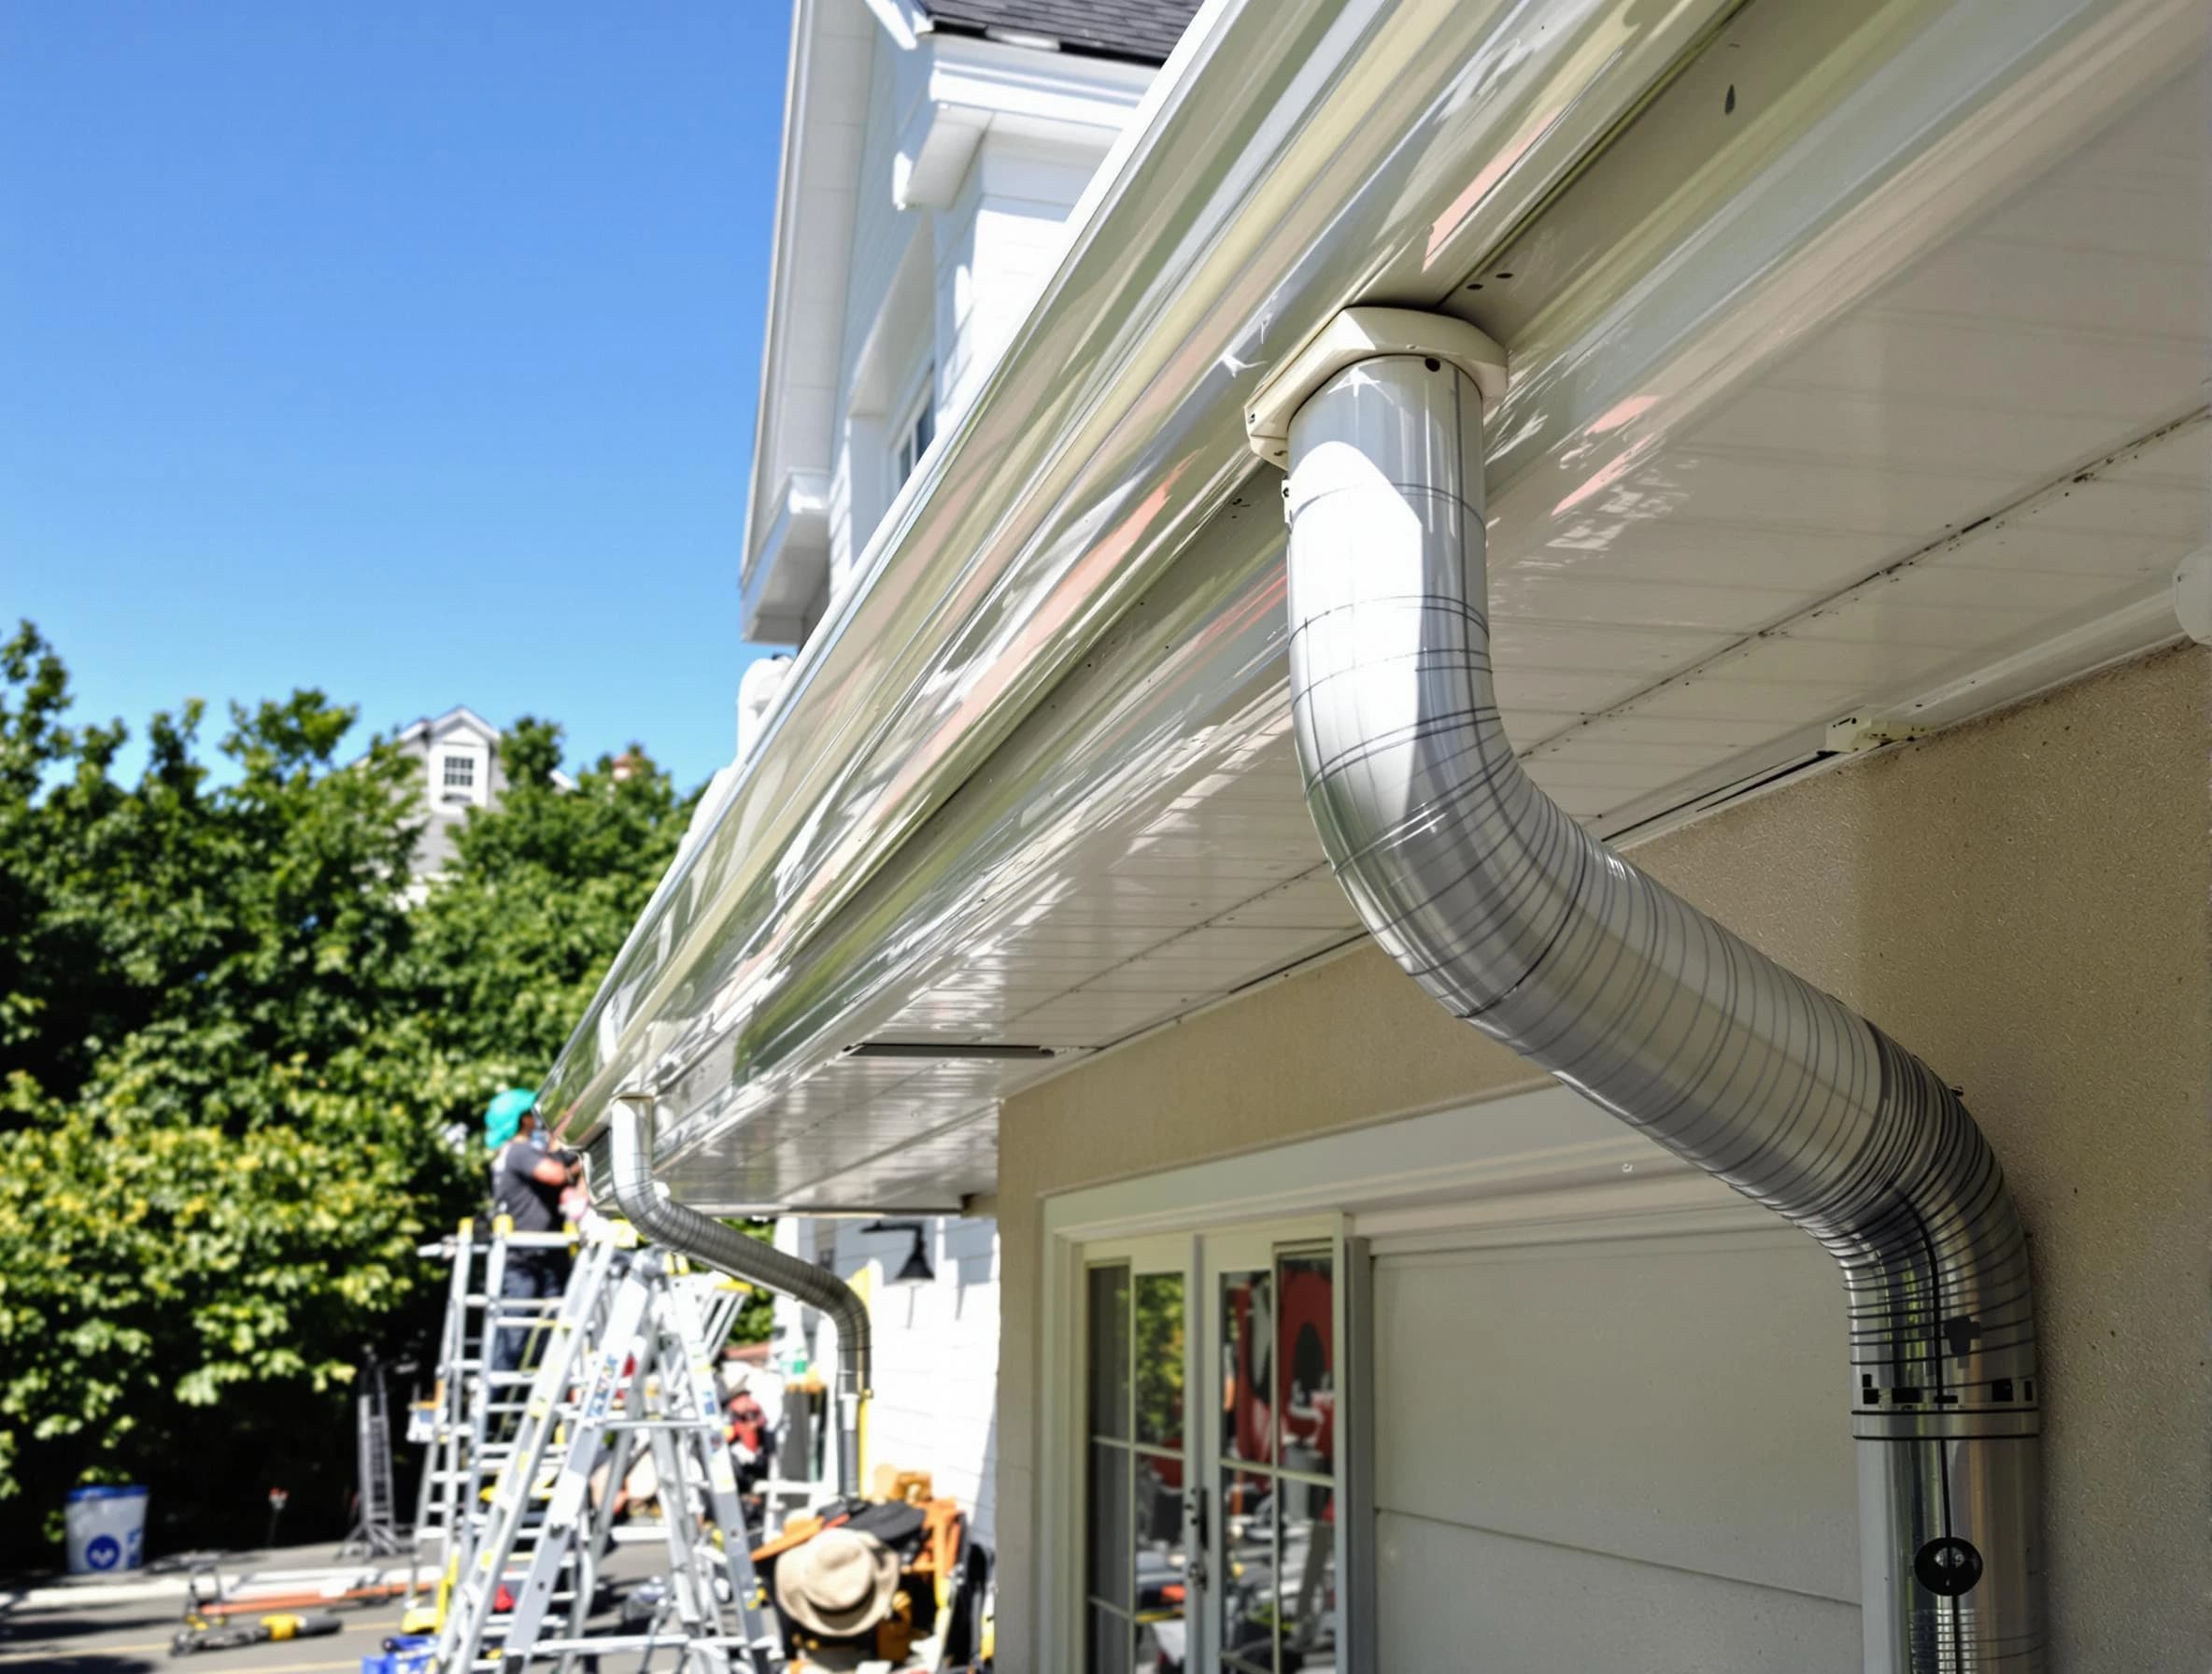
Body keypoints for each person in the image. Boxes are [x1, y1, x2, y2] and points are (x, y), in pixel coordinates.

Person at [484, 1088, 582, 1377]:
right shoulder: (520, 1150)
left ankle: (513, 1402)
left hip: (541, 1257)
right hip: (529, 1260)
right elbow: (553, 1174)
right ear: (521, 1120)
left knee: (549, 1332)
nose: (535, 1118)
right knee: (518, 1335)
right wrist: (584, 1160)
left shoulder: (514, 1152)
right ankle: (496, 1402)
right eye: (530, 1114)